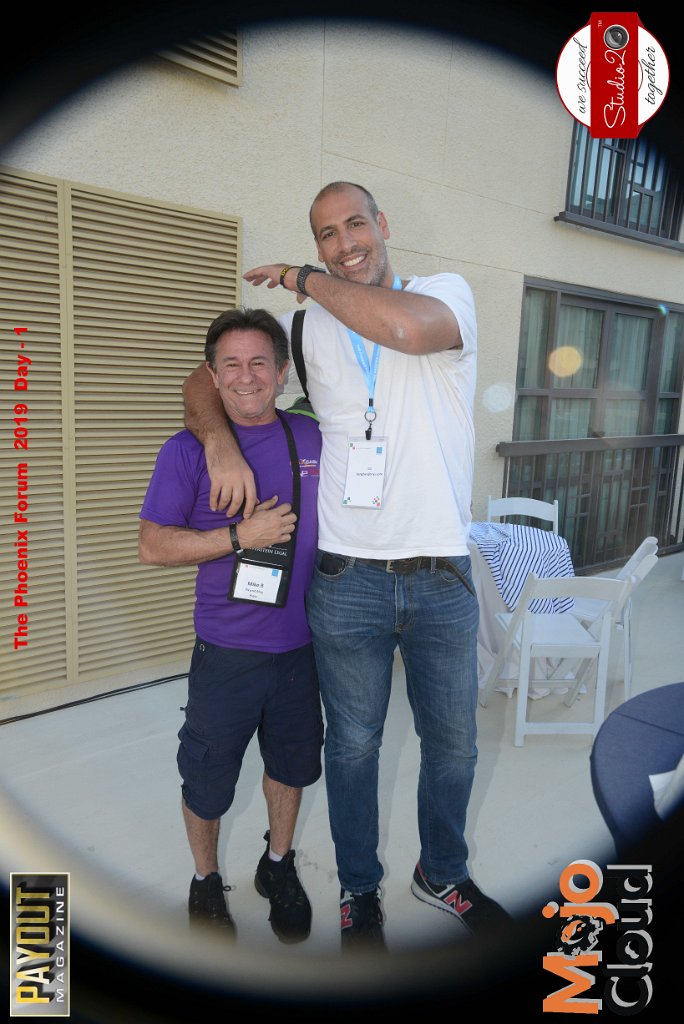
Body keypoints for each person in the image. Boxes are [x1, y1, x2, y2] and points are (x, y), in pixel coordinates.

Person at [182, 182, 510, 950]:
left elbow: (402, 328)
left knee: (453, 746)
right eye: (326, 234)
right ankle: (359, 890)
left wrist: (302, 278)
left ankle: (442, 871)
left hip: (440, 573)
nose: (344, 243)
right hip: (346, 580)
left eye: (354, 224)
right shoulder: (306, 329)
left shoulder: (443, 294)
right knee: (355, 748)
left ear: (382, 224)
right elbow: (210, 378)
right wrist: (217, 440)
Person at [139, 307, 323, 944]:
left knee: (292, 768)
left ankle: (278, 864)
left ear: (283, 371)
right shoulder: (187, 450)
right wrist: (240, 536)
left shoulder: (313, 436)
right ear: (212, 376)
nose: (247, 377)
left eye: (259, 363)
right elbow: (153, 546)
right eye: (232, 365)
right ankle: (205, 878)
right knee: (208, 778)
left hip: (303, 649)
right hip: (226, 651)